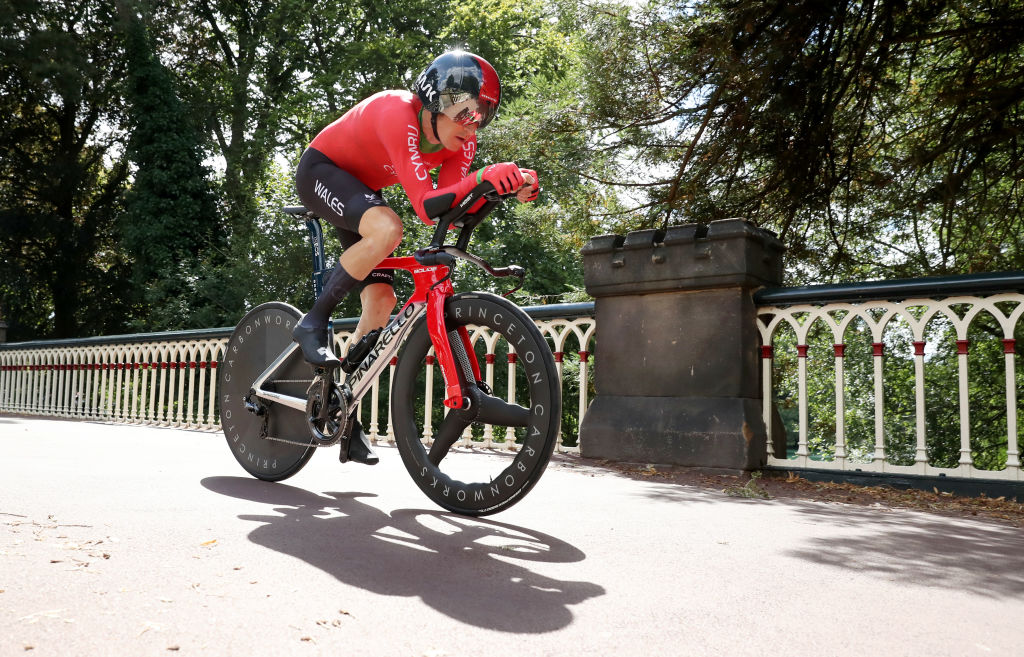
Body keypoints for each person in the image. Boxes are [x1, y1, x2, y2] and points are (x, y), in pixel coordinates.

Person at [292, 50, 540, 464]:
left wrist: (503, 188)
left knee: (381, 304)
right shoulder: (397, 113)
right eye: (465, 113)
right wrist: (483, 178)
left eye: (482, 115)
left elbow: (452, 206)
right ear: (436, 100)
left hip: (363, 192)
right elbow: (426, 206)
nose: (473, 124)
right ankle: (312, 322)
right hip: (322, 172)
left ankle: (342, 412)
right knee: (388, 229)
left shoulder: (460, 142)